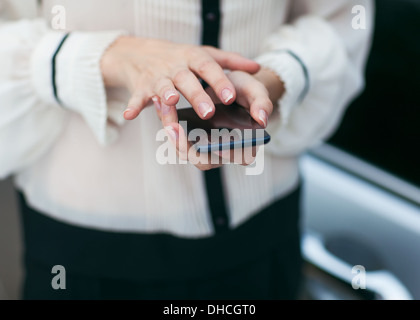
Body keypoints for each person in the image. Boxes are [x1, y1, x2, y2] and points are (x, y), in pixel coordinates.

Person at [0, 0, 373, 300]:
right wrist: (110, 56)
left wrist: (273, 77)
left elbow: (341, 22)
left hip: (266, 238)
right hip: (84, 257)